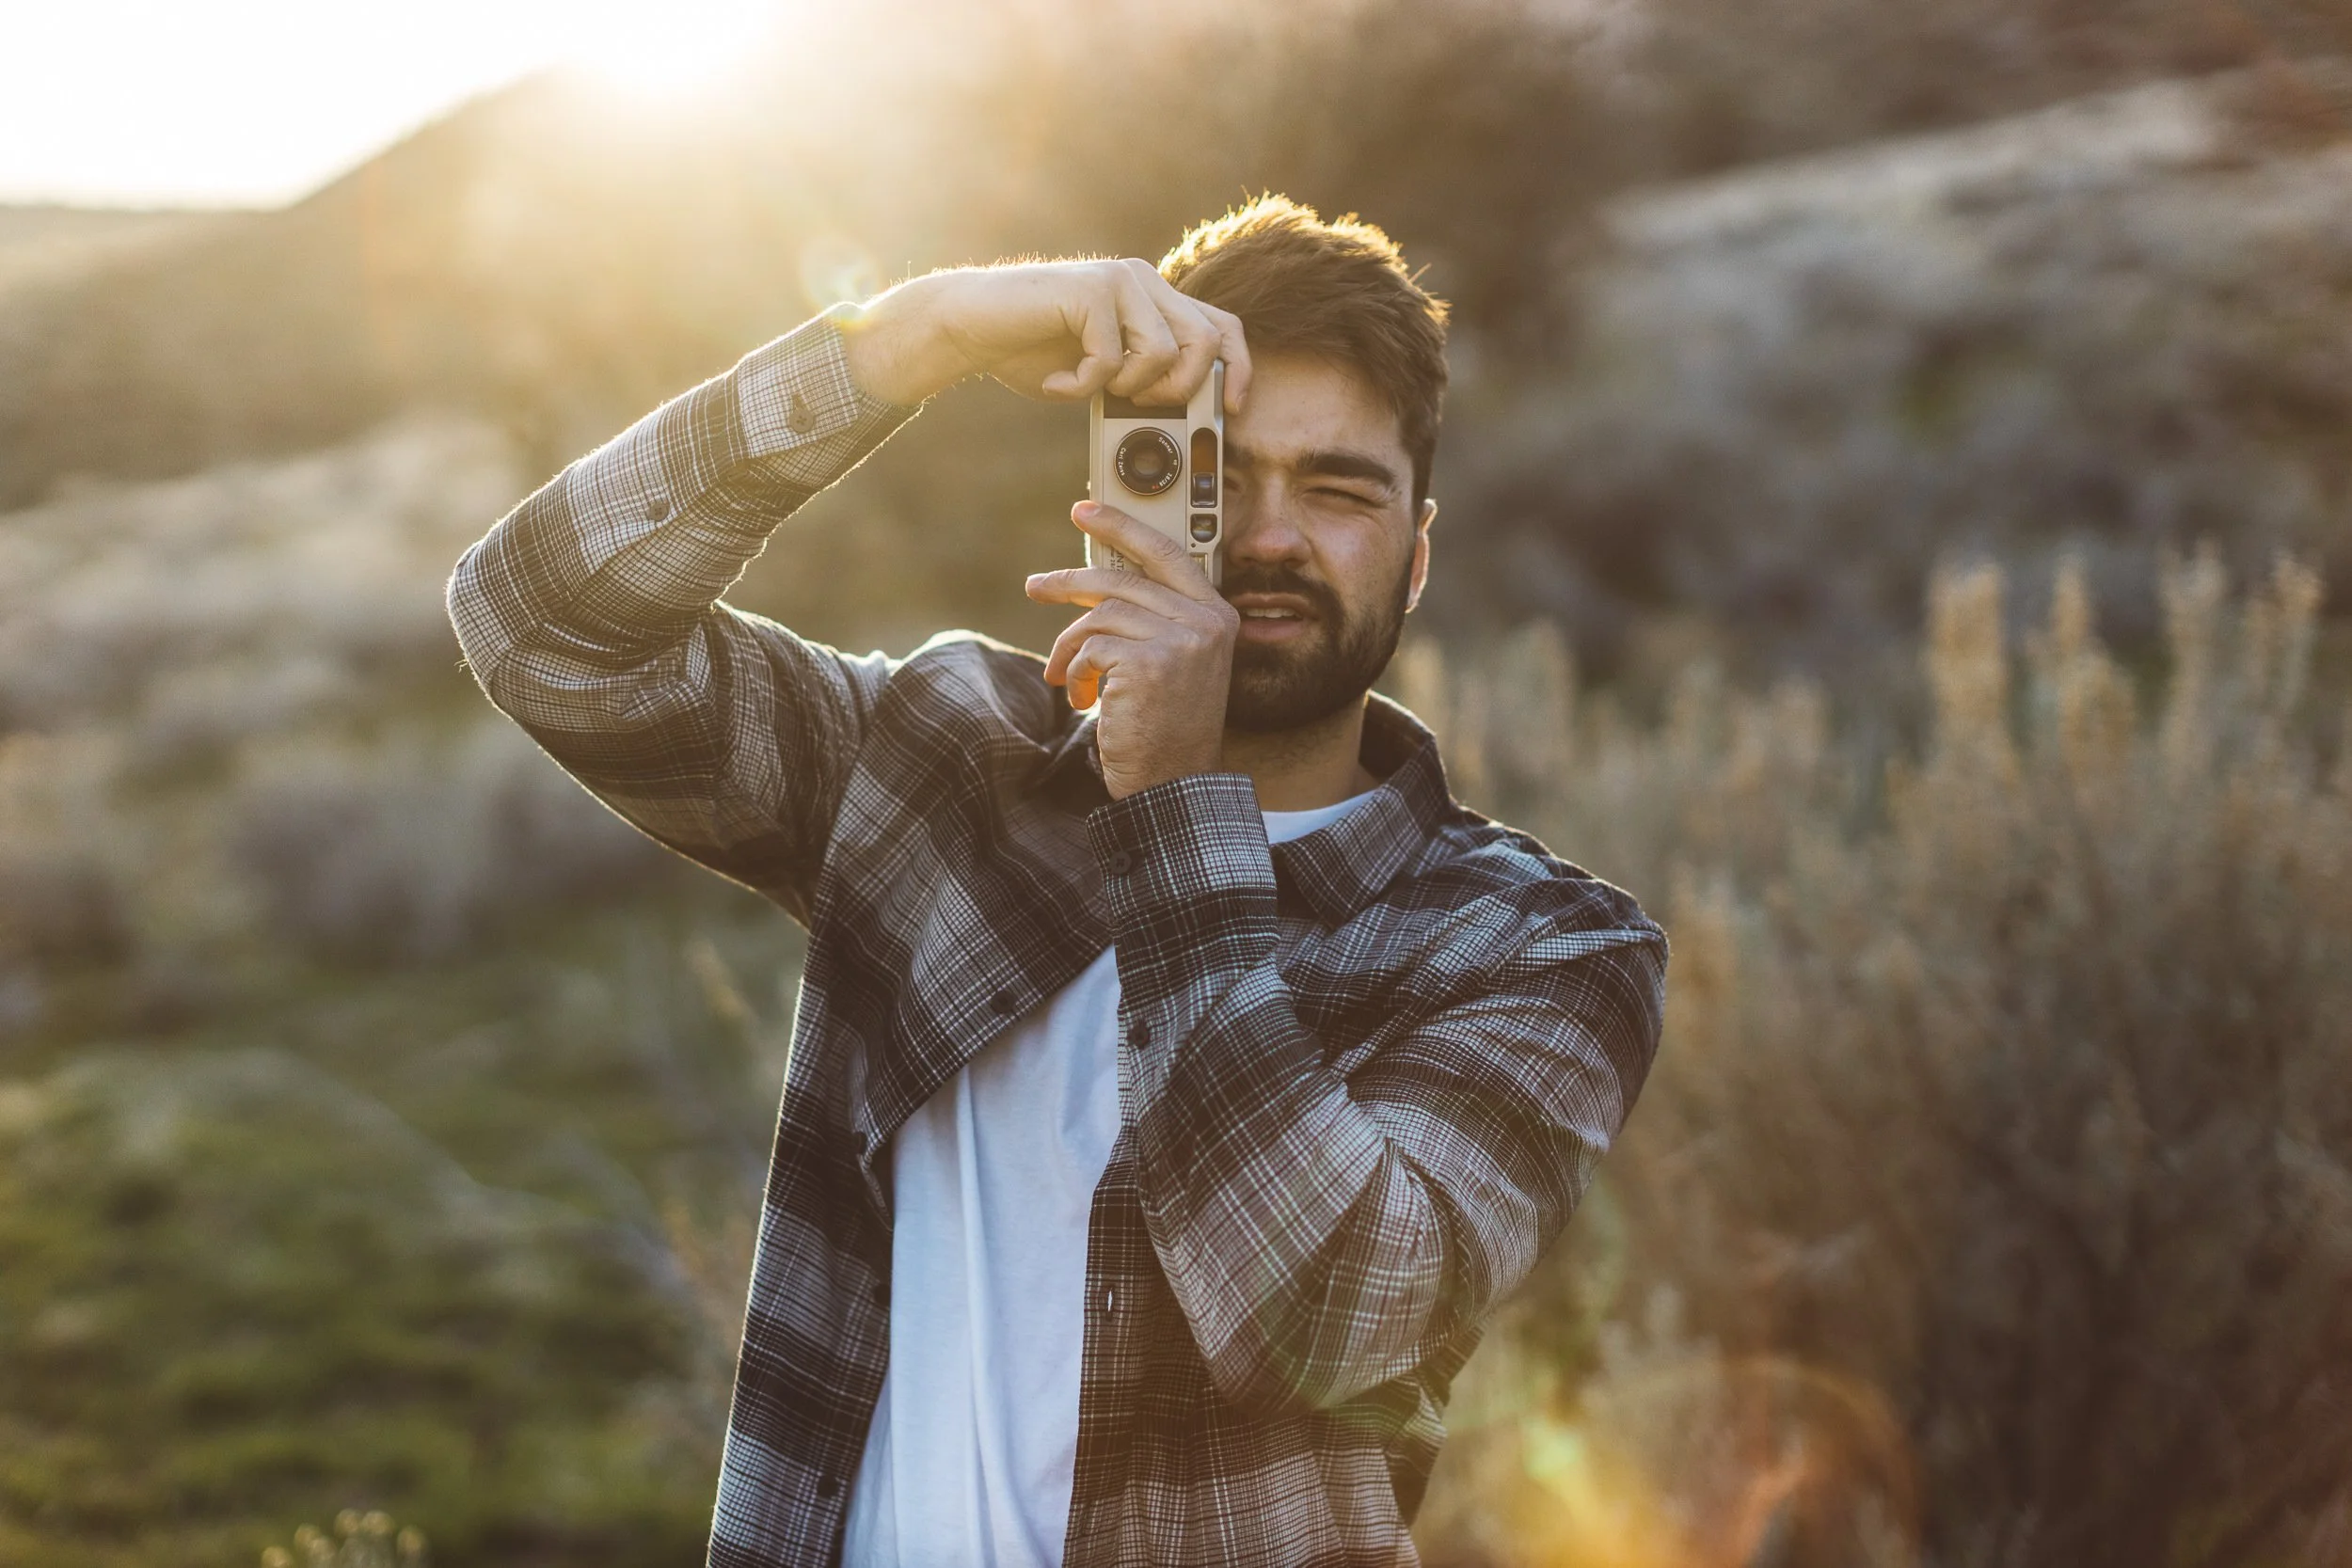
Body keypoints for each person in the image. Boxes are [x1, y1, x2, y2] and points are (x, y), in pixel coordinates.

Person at [446, 196, 1665, 1568]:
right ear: (1118, 490)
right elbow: (542, 624)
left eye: (1336, 491)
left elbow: (1324, 1320)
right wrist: (917, 335)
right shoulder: (941, 763)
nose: (1267, 537)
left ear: (1417, 554)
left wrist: (1169, 802)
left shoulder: (1537, 948)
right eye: (1214, 472)